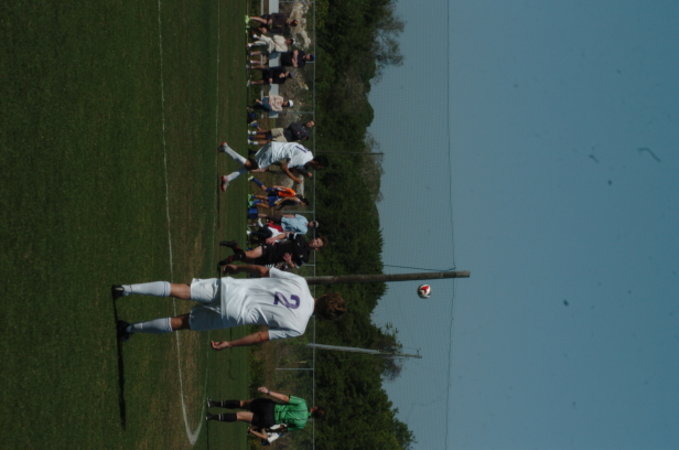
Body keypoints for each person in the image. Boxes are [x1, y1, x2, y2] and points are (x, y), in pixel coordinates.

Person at [112, 265, 346, 343]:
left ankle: (126, 289)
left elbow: (263, 270)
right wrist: (230, 344)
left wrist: (239, 266)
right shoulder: (299, 327)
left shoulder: (300, 283)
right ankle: (129, 328)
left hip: (232, 288)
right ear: (323, 317)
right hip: (235, 313)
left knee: (183, 290)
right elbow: (261, 336)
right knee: (182, 323)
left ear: (325, 296)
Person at [206, 386, 323, 442]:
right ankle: (211, 417)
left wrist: (268, 392)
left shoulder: (302, 403)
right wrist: (269, 430)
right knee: (239, 416)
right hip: (269, 420)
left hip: (269, 407)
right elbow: (283, 429)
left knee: (243, 403)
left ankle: (213, 403)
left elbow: (284, 398)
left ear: (315, 408)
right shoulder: (302, 424)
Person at [218, 141, 327, 190]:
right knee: (251, 165)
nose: (317, 169)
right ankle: (226, 148)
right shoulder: (303, 160)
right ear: (317, 163)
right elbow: (284, 167)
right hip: (274, 153)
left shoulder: (309, 153)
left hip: (273, 145)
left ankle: (227, 178)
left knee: (249, 167)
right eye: (319, 167)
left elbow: (290, 153)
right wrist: (295, 179)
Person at [218, 235, 326, 271]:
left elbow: (294, 266)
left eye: (317, 243)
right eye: (316, 239)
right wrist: (274, 238)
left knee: (244, 258)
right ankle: (225, 261)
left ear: (317, 248)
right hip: (272, 248)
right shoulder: (300, 238)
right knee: (249, 254)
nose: (315, 241)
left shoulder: (305, 258)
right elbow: (285, 235)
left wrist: (289, 262)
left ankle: (234, 246)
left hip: (272, 259)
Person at [248, 120, 314, 146]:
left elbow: (298, 137)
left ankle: (251, 143)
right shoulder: (300, 123)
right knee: (268, 132)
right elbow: (292, 125)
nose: (309, 124)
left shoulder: (306, 133)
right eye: (310, 122)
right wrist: (296, 132)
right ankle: (251, 135)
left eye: (311, 124)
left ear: (311, 127)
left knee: (270, 141)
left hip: (285, 138)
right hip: (283, 130)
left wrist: (295, 131)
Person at [248, 49, 314, 70]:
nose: (309, 57)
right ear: (309, 54)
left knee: (266, 64)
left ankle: (252, 64)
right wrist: (295, 59)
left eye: (310, 58)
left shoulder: (302, 64)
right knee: (266, 53)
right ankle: (252, 53)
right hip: (281, 54)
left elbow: (294, 66)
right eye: (310, 56)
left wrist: (294, 59)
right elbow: (295, 52)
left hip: (281, 63)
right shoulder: (302, 52)